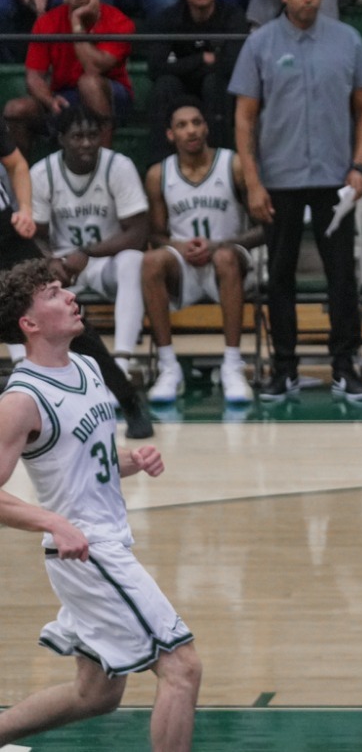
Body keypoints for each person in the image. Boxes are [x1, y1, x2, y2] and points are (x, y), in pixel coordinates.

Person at [0, 258, 200, 752]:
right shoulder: (21, 399)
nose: (69, 296)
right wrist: (54, 522)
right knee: (182, 668)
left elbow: (85, 456)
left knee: (97, 694)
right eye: (51, 293)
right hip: (88, 552)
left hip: (102, 543)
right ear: (28, 323)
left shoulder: (88, 367)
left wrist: (130, 459)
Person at [229, 0, 362, 402]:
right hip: (280, 179)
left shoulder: (347, 39)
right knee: (281, 277)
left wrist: (359, 166)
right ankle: (285, 367)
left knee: (341, 278)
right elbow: (244, 117)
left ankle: (345, 367)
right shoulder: (260, 44)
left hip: (335, 177)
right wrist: (253, 182)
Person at [139, 98, 260, 405]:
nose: (191, 130)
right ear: (170, 135)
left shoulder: (233, 165)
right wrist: (178, 246)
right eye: (182, 125)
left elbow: (264, 228)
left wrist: (219, 244)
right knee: (151, 261)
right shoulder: (158, 174)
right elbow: (154, 233)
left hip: (230, 260)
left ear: (206, 128)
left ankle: (232, 365)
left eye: (196, 122)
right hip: (183, 264)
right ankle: (169, 367)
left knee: (224, 257)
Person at [29, 103, 149, 378]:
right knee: (25, 271)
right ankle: (41, 366)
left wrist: (87, 252)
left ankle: (121, 362)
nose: (86, 143)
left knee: (134, 261)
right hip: (61, 267)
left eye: (92, 135)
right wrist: (50, 260)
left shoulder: (118, 166)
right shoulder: (42, 173)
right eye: (77, 137)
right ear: (61, 139)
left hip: (104, 263)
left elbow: (139, 232)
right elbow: (35, 234)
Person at [5, 0, 134, 151]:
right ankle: (21, 176)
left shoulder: (119, 22)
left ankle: (104, 161)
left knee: (88, 83)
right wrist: (50, 101)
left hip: (111, 97)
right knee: (16, 110)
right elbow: (34, 77)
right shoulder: (47, 23)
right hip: (65, 97)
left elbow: (93, 68)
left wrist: (76, 24)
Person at [145, 0, 247, 160]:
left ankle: (220, 162)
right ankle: (160, 166)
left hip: (216, 88)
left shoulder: (232, 17)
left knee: (215, 83)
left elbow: (233, 65)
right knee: (165, 84)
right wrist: (201, 59)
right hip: (181, 87)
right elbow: (155, 68)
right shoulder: (168, 18)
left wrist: (185, 66)